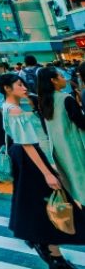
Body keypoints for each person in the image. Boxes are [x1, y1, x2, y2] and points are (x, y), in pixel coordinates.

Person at [0, 72, 85, 268]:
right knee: (51, 201)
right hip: (30, 157)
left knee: (34, 203)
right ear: (7, 88)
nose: (24, 87)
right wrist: (47, 173)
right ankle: (52, 253)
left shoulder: (7, 106)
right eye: (19, 85)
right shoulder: (15, 111)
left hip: (21, 157)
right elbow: (27, 144)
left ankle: (44, 245)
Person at [38, 67, 85, 207]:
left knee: (73, 179)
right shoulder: (66, 99)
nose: (64, 79)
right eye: (61, 76)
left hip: (59, 148)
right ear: (53, 80)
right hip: (74, 144)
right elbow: (81, 123)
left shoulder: (43, 101)